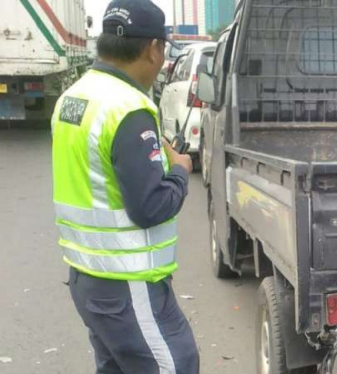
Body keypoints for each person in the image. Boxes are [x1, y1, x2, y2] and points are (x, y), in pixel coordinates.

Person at [51, 1, 198, 373]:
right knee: (176, 366)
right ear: (153, 49)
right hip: (127, 284)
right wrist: (180, 171)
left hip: (89, 280)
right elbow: (150, 206)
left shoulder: (74, 97)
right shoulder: (129, 108)